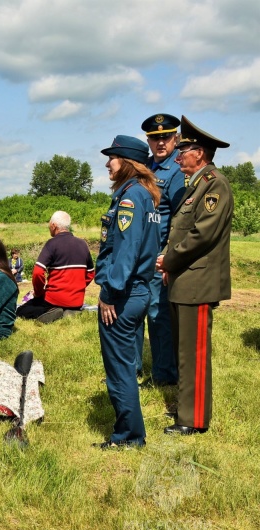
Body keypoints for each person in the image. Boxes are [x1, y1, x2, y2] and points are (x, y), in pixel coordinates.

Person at [156, 116, 233, 436]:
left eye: (183, 149)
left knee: (194, 353)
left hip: (197, 283)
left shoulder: (214, 184)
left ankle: (193, 419)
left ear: (199, 153)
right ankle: (186, 407)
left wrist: (168, 261)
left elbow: (202, 234)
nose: (177, 156)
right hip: (185, 281)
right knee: (183, 351)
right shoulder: (197, 185)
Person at [94, 135, 161, 449]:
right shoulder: (143, 195)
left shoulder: (131, 198)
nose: (107, 163)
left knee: (119, 369)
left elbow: (127, 250)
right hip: (137, 292)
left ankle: (129, 437)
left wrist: (109, 292)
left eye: (112, 158)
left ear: (128, 163)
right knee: (124, 366)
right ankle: (130, 432)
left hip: (123, 295)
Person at [137, 114, 186, 387]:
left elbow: (180, 219)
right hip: (140, 255)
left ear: (175, 139)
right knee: (137, 312)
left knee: (158, 316)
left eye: (165, 137)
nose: (160, 142)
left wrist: (167, 256)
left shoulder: (177, 172)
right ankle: (135, 369)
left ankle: (164, 375)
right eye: (155, 138)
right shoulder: (144, 167)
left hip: (158, 258)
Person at [16, 211, 94, 324]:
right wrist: (77, 286)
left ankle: (53, 311)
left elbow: (37, 272)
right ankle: (70, 311)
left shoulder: (52, 244)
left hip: (54, 299)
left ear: (54, 225)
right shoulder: (83, 244)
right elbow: (90, 273)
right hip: (77, 301)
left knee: (21, 310)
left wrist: (39, 292)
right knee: (68, 306)